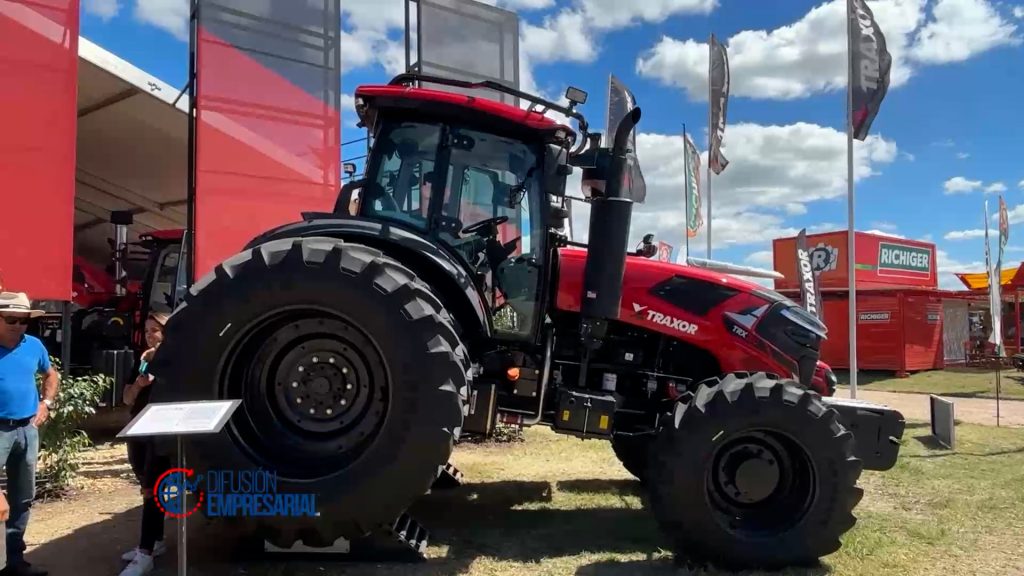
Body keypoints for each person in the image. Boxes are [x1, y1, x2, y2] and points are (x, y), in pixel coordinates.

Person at [0, 292, 59, 576]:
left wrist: (45, 403)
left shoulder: (33, 345)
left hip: (27, 429)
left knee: (23, 496)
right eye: (11, 319)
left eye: (23, 320)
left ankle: (14, 562)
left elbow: (51, 374)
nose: (18, 326)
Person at [118, 312, 171, 576]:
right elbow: (127, 398)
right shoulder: (142, 360)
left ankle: (145, 553)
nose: (150, 336)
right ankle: (156, 539)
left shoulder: (174, 360)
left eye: (155, 331)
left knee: (152, 488)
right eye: (147, 331)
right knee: (146, 485)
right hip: (137, 428)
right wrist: (139, 385)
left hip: (160, 431)